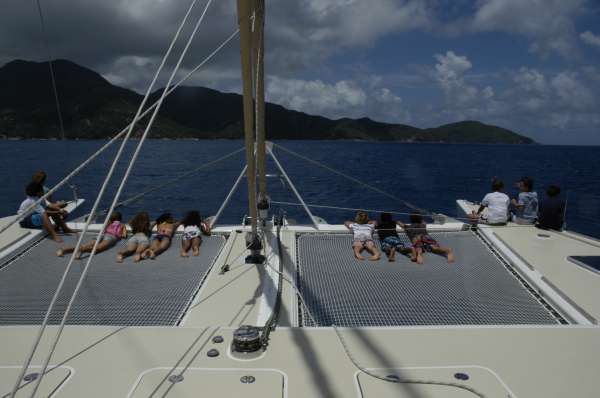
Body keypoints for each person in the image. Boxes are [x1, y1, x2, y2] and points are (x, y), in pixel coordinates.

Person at [57, 212, 126, 258]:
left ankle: (64, 249)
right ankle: (82, 250)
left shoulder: (109, 222)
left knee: (86, 245)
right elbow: (123, 235)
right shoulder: (122, 225)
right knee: (97, 248)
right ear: (120, 219)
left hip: (102, 235)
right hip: (111, 237)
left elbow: (104, 230)